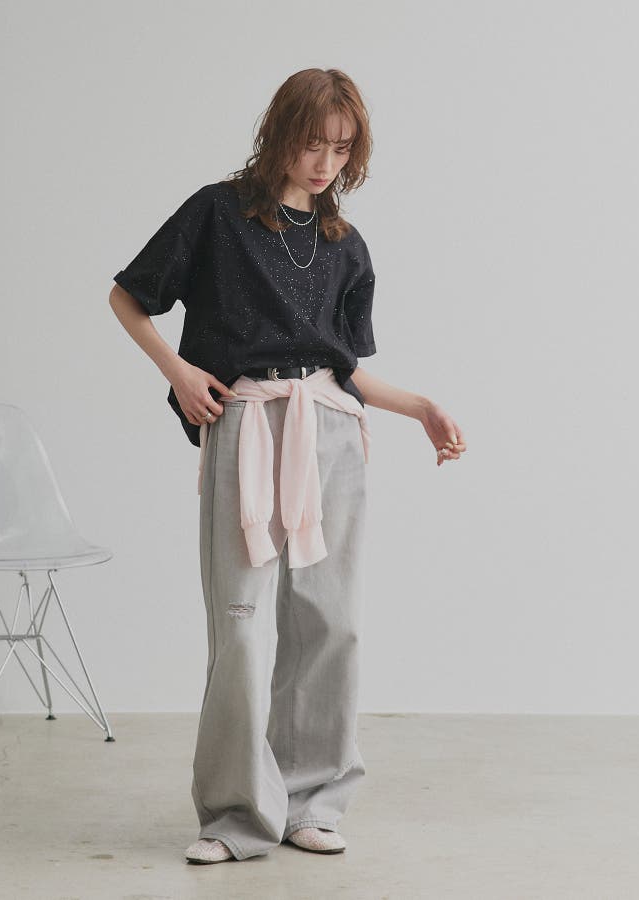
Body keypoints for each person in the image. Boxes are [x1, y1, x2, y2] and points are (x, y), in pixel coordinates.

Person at [108, 68, 466, 865]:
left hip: (331, 430)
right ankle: (236, 815)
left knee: (328, 623)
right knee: (239, 626)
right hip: (247, 424)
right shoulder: (217, 212)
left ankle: (313, 800)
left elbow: (346, 369)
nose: (325, 163)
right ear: (279, 135)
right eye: (313, 144)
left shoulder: (345, 244)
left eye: (341, 149)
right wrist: (178, 370)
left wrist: (421, 408)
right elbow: (128, 296)